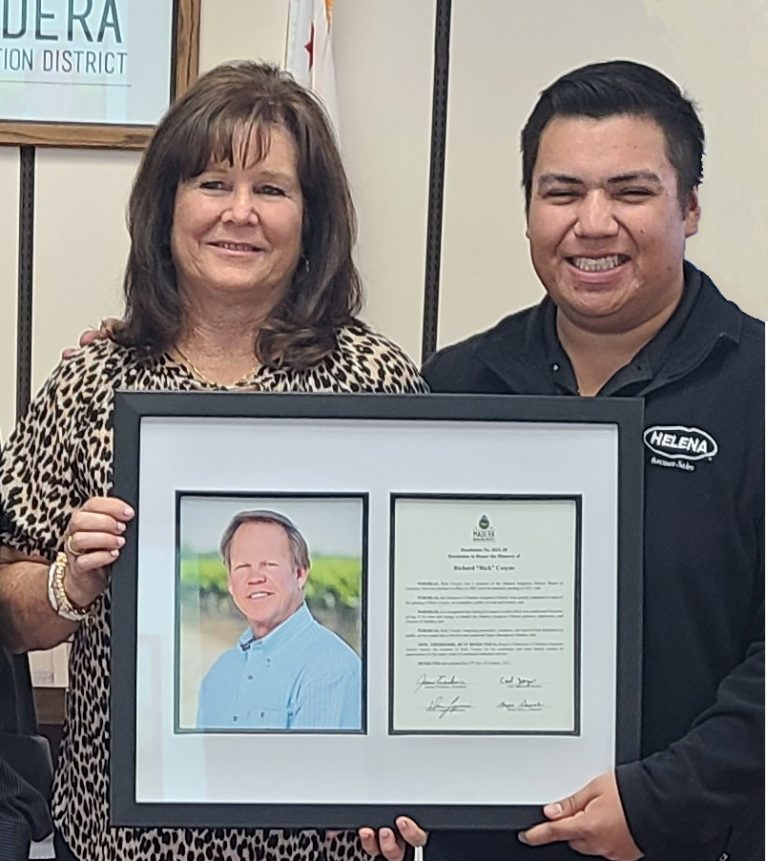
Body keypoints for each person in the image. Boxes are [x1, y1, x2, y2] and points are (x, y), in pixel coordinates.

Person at [0, 61, 427, 861]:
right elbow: (9, 617)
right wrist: (70, 580)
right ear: (166, 207)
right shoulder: (91, 380)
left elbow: (416, 618)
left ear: (313, 218)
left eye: (272, 189)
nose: (240, 213)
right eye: (211, 183)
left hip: (326, 842)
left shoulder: (379, 381)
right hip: (127, 834)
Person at [414, 60, 763, 861]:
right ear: (530, 208)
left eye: (631, 192)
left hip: (687, 840)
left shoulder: (758, 390)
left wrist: (656, 802)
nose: (593, 222)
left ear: (691, 207)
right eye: (562, 192)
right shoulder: (456, 384)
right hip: (479, 842)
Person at [196, 509, 361, 731]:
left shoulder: (332, 670)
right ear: (230, 583)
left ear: (300, 574)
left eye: (269, 564)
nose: (255, 578)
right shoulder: (218, 675)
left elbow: (317, 765)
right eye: (243, 567)